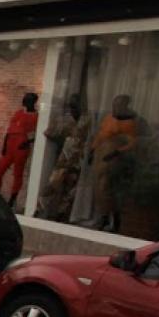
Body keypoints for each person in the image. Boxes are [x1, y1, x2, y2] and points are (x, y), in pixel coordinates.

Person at [89, 94, 139, 233]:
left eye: (118, 105)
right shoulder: (108, 118)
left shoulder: (129, 122)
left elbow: (132, 142)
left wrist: (118, 151)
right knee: (99, 189)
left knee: (109, 189)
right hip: (101, 155)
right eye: (114, 104)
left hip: (114, 158)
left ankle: (115, 220)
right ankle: (103, 217)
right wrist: (92, 150)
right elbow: (100, 135)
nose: (115, 108)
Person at [41, 93, 90, 221]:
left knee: (70, 190)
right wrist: (63, 139)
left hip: (78, 160)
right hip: (65, 158)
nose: (73, 108)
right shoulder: (65, 119)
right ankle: (40, 210)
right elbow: (49, 132)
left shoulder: (87, 120)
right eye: (71, 106)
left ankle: (62, 214)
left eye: (75, 105)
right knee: (53, 185)